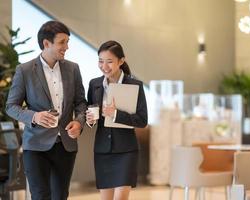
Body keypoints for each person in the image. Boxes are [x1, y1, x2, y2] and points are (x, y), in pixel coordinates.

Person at [6, 20, 87, 200]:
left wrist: (79, 122)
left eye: (67, 41)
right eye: (62, 42)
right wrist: (34, 116)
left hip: (65, 145)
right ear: (46, 43)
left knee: (60, 196)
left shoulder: (73, 69)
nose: (66, 47)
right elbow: (11, 106)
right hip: (35, 145)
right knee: (41, 195)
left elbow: (81, 102)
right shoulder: (24, 70)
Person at [86, 40, 148, 200]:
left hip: (126, 151)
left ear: (121, 61)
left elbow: (142, 120)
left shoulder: (135, 85)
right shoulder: (94, 85)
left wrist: (115, 114)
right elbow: (91, 113)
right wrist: (89, 119)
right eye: (100, 61)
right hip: (102, 151)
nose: (104, 66)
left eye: (109, 62)